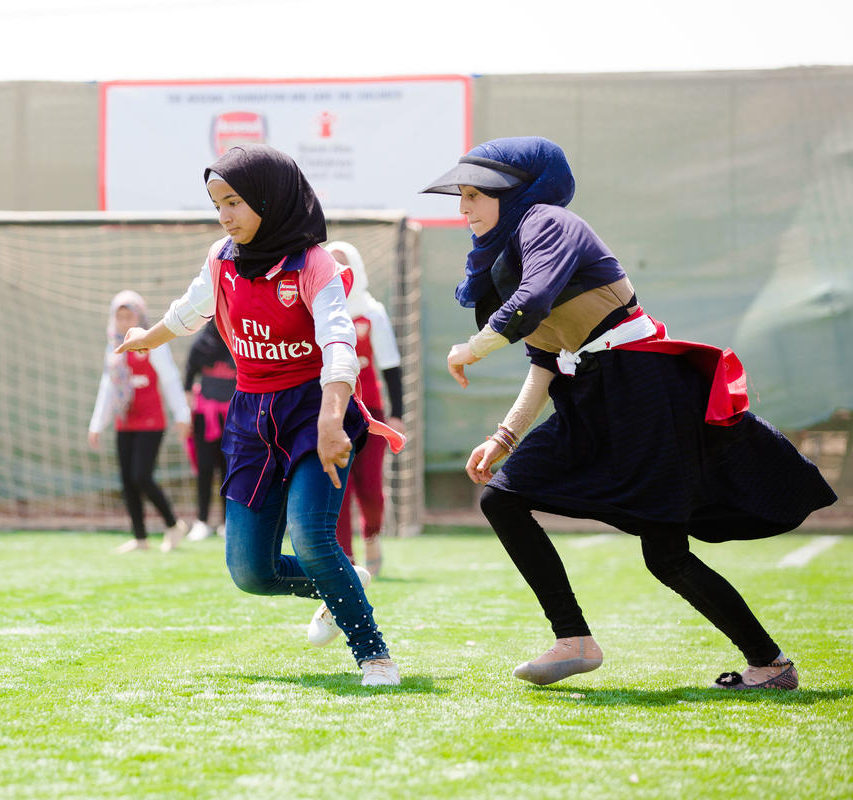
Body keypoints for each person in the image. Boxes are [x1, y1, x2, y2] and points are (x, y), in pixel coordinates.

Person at [423, 136, 837, 690]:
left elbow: (536, 301)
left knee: (665, 557)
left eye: (475, 194)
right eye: (462, 196)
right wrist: (504, 438)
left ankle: (770, 665)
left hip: (643, 391)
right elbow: (546, 357)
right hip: (589, 395)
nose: (463, 208)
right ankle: (573, 640)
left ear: (519, 192)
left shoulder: (547, 220)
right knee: (502, 496)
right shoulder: (507, 252)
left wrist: (470, 350)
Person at [115, 144, 406, 686]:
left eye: (234, 203)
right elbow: (191, 307)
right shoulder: (221, 258)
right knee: (250, 572)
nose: (224, 215)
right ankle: (345, 579)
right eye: (216, 204)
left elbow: (340, 342)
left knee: (313, 538)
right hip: (250, 416)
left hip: (314, 408)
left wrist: (331, 418)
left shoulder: (315, 264)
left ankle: (375, 656)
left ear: (272, 201)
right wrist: (146, 337)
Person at [324, 241, 406, 577]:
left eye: (344, 265)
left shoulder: (372, 312)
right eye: (331, 265)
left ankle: (372, 534)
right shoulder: (317, 310)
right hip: (331, 413)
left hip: (368, 412)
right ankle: (348, 561)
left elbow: (390, 365)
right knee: (337, 489)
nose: (338, 272)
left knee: (371, 489)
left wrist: (397, 413)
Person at [88, 290, 192, 553]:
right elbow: (108, 386)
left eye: (129, 316)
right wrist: (97, 424)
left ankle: (173, 524)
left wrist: (182, 415)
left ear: (139, 316)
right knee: (127, 479)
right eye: (119, 316)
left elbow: (169, 379)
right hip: (126, 421)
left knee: (141, 476)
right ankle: (140, 538)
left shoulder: (152, 342)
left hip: (151, 421)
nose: (124, 322)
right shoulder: (113, 347)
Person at [181, 320, 237, 542]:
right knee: (204, 468)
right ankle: (202, 521)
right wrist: (186, 414)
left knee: (229, 470)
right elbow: (188, 377)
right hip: (205, 416)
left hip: (234, 417)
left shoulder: (238, 341)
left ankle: (227, 523)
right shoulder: (201, 345)